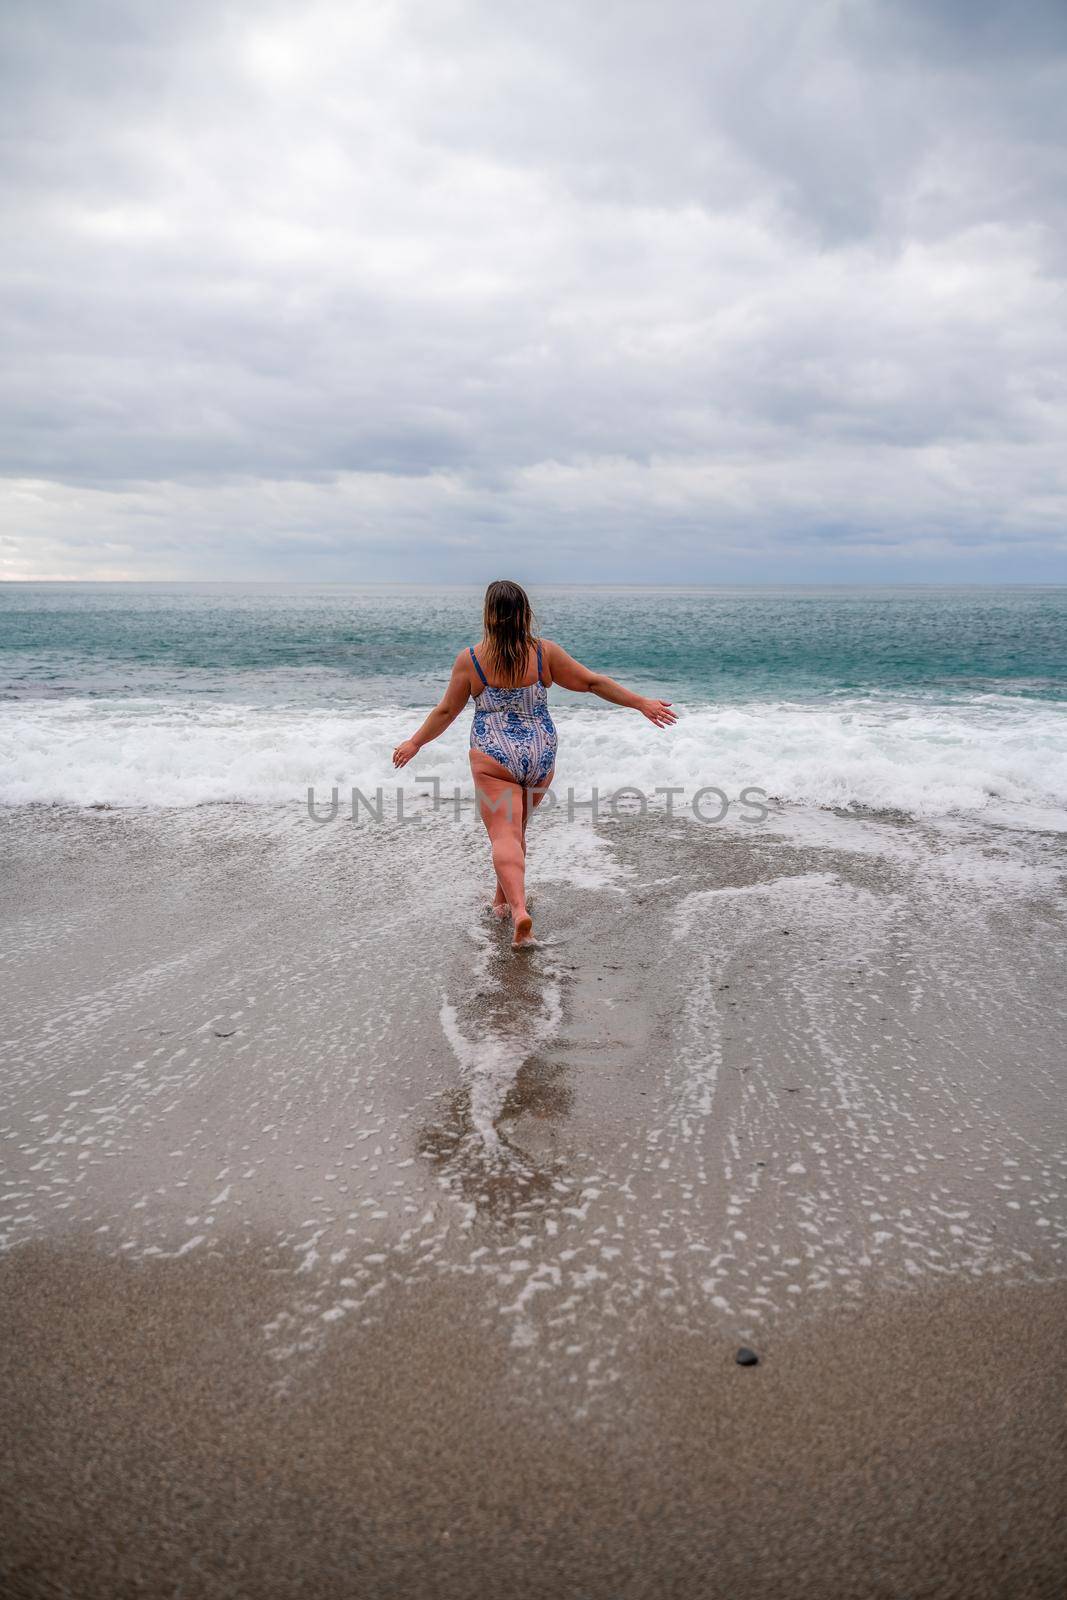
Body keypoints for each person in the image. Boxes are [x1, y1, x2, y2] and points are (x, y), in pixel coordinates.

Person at [392, 580, 676, 948]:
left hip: (494, 755)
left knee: (504, 834)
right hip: (540, 755)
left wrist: (415, 742)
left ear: (489, 615)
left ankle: (520, 911)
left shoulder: (472, 660)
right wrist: (641, 702)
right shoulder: (544, 654)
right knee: (517, 829)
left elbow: (447, 710)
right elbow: (592, 683)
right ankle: (501, 902)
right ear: (525, 613)